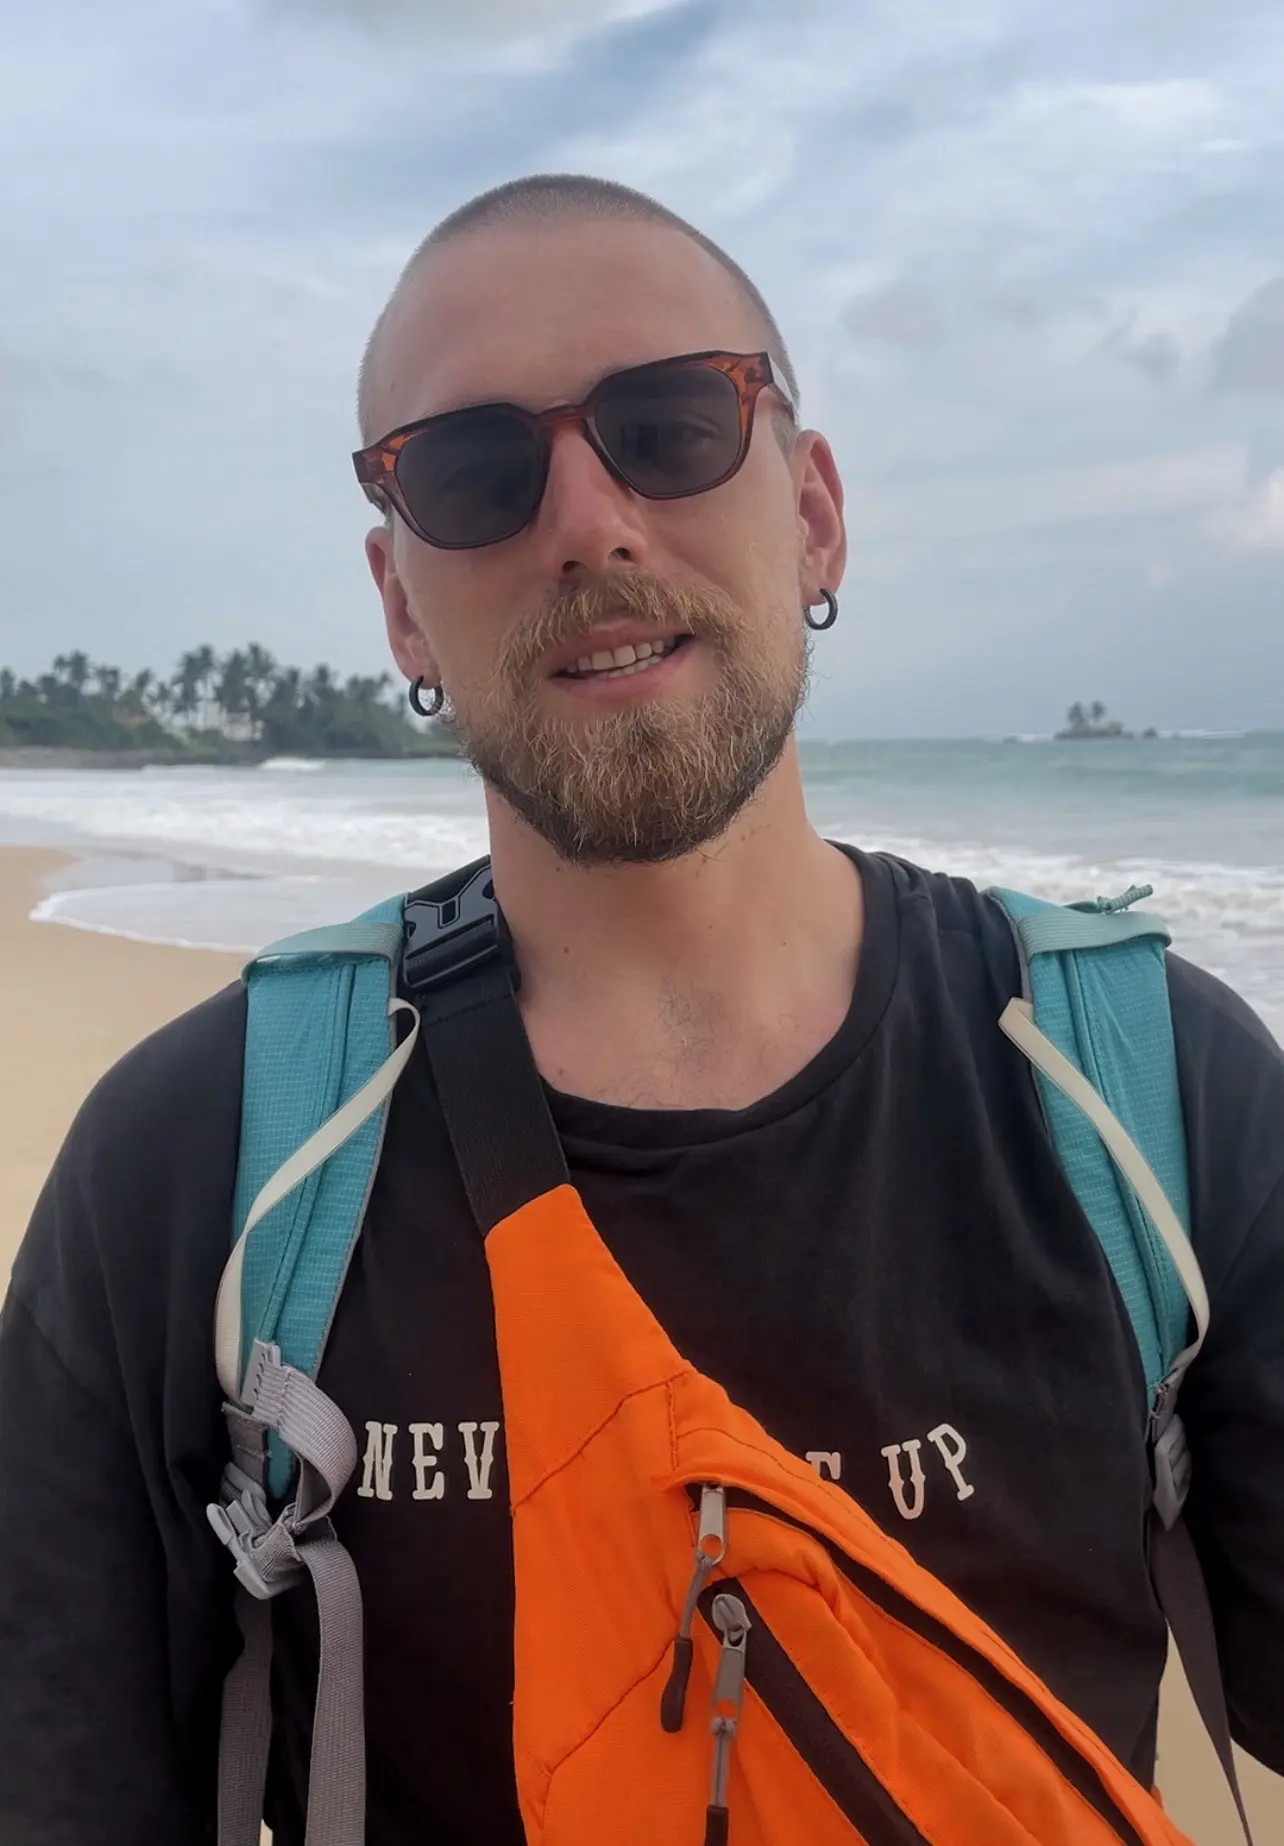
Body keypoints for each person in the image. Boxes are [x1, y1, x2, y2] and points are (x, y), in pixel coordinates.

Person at [1, 173, 1282, 1845]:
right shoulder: (200, 1167)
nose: (590, 524)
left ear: (812, 514)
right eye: (476, 473)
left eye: (671, 426)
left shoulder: (1153, 1098)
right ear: (401, 604)